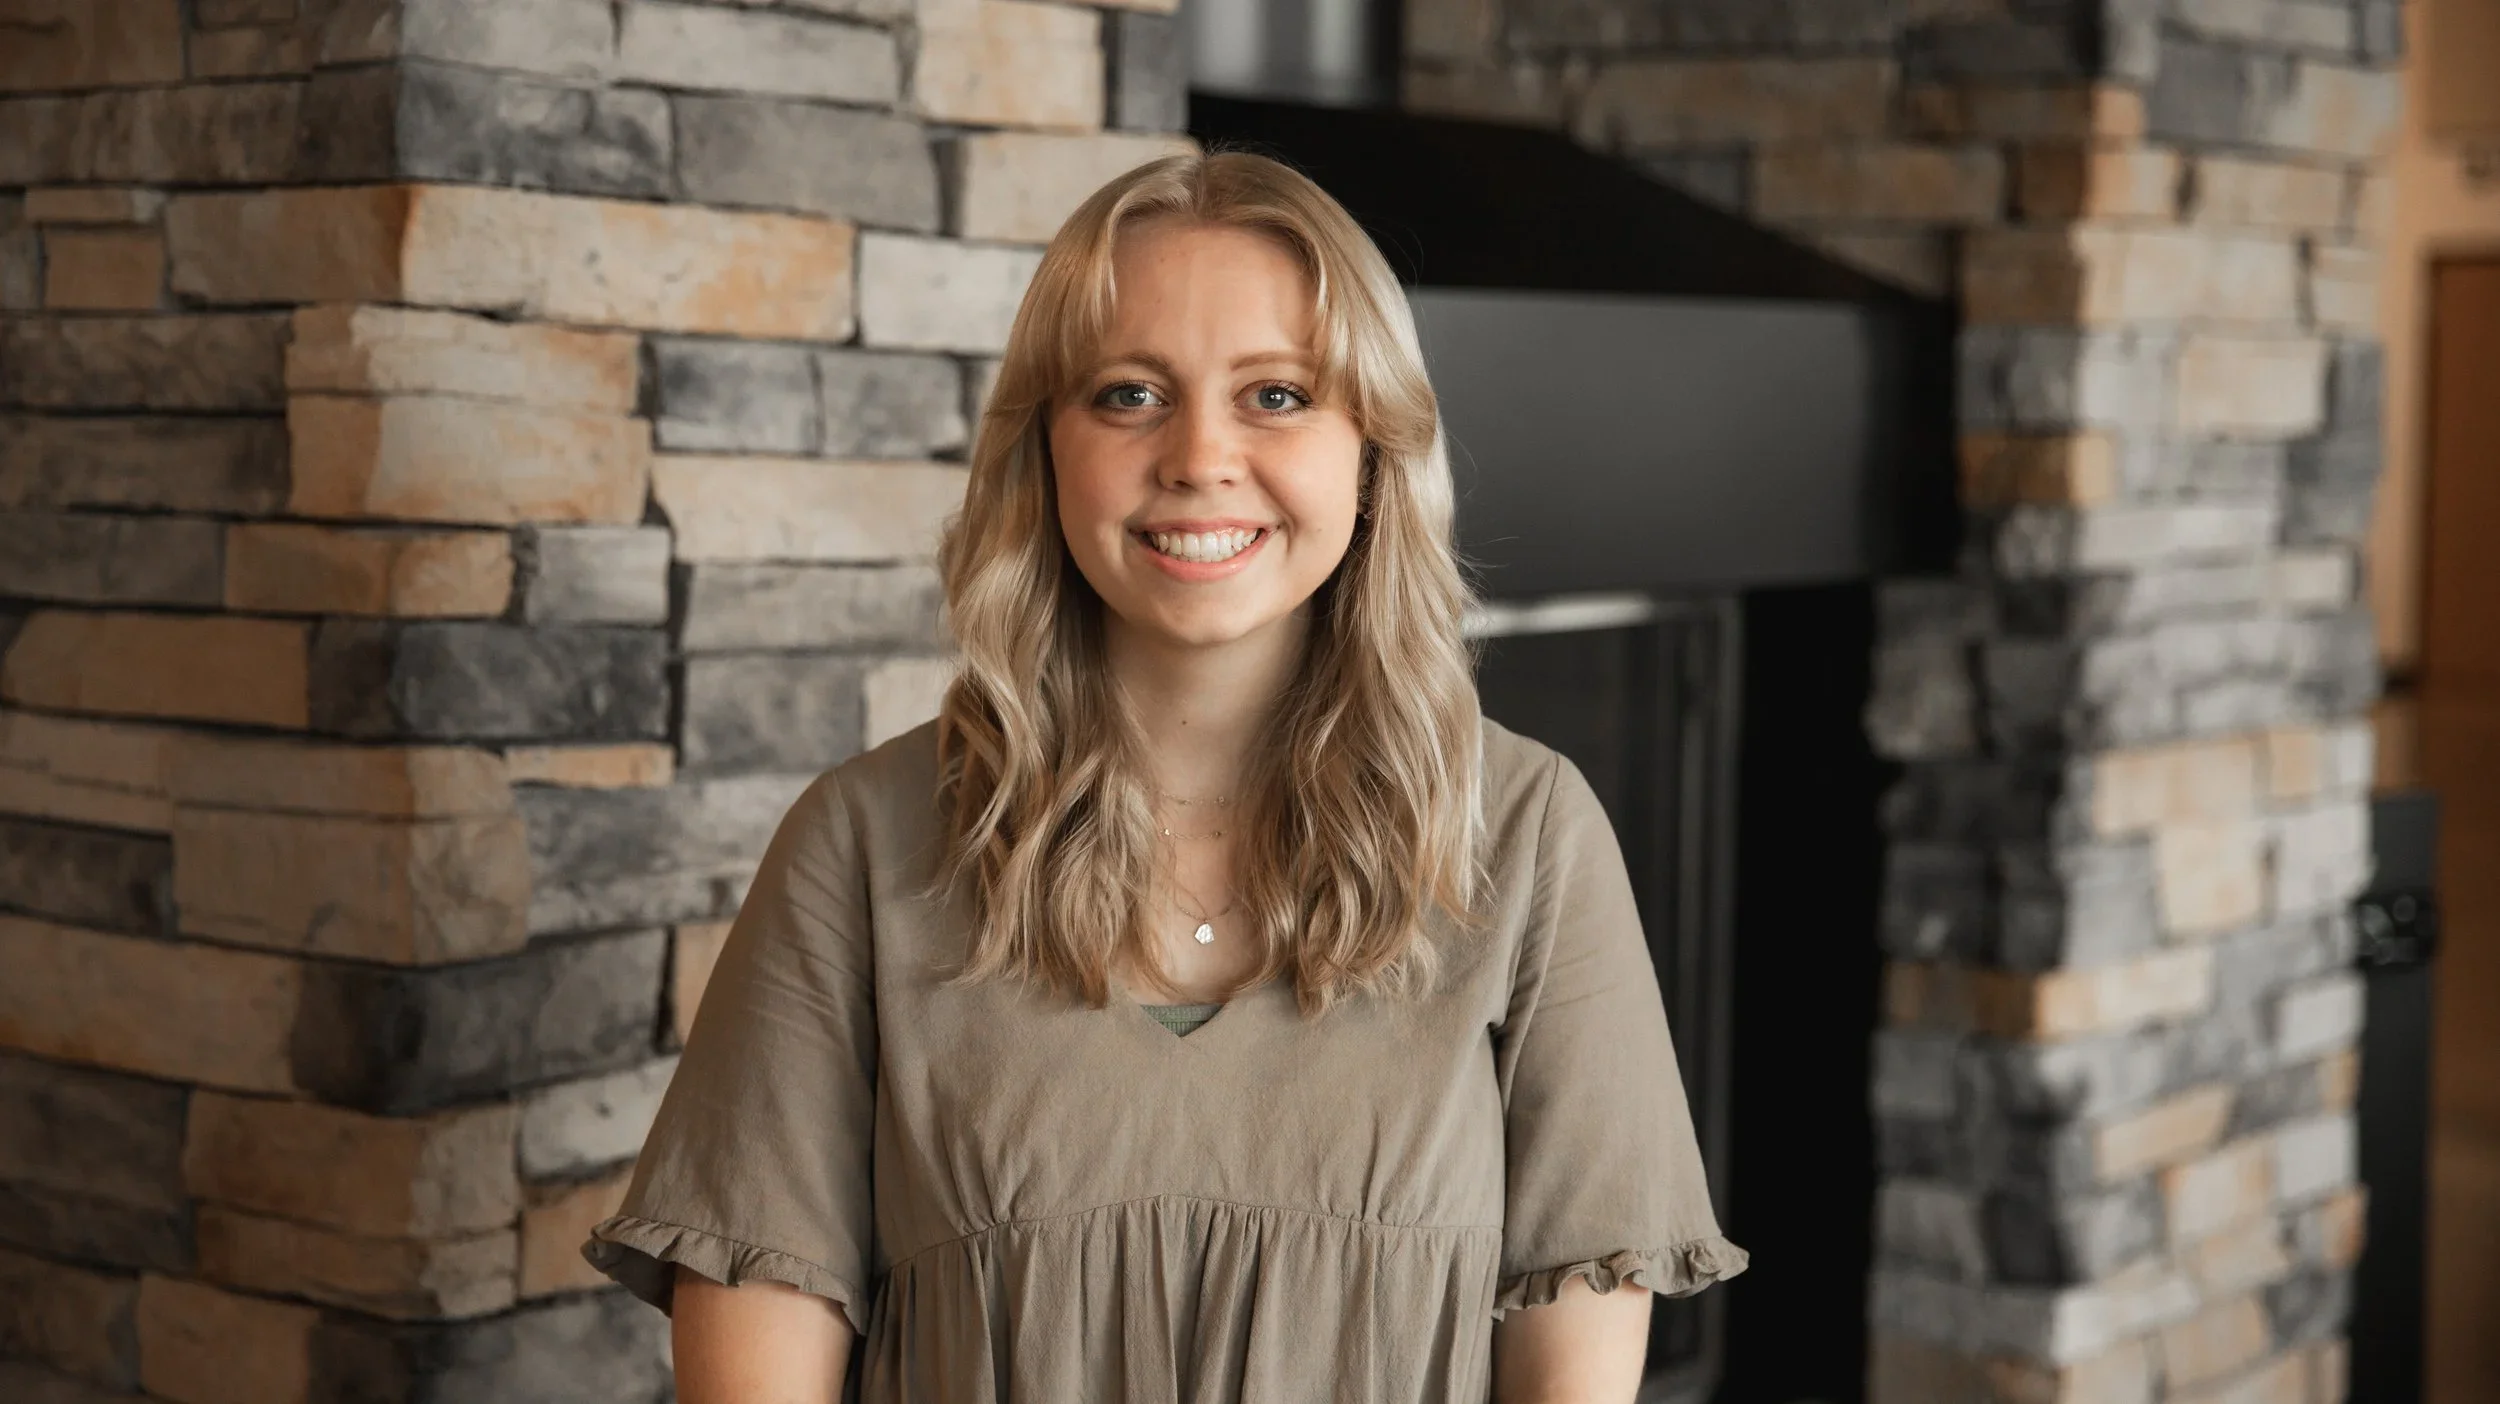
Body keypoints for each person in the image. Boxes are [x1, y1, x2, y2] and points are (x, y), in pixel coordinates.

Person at [581, 149, 1746, 1403]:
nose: (1200, 456)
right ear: (1047, 448)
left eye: (1279, 396)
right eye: (1129, 393)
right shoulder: (860, 847)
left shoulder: (1525, 839)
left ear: (1373, 450)